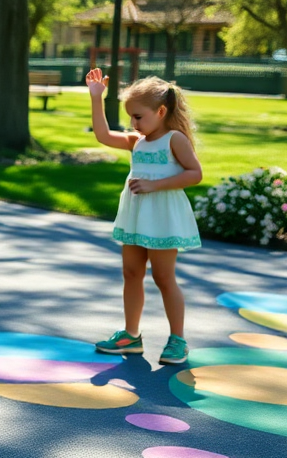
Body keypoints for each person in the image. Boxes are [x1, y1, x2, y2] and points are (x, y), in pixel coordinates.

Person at [85, 68, 203, 365]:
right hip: (137, 216)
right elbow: (101, 135)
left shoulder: (174, 139)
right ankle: (131, 335)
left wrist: (155, 184)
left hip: (162, 217)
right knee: (131, 274)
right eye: (131, 118)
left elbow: (195, 174)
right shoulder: (136, 140)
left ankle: (178, 340)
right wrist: (96, 98)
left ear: (161, 111)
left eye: (138, 116)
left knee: (164, 277)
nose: (133, 123)